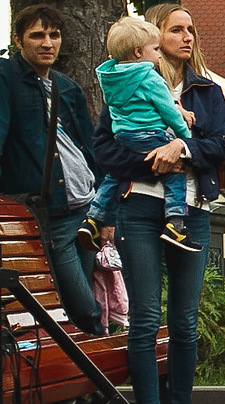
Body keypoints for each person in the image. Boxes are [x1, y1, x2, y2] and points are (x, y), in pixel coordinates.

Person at [92, 1, 225, 404]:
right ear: (151, 39)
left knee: (185, 320)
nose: (187, 37)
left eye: (191, 29)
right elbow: (105, 149)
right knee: (146, 318)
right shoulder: (125, 85)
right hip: (138, 209)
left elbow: (219, 145)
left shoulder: (205, 90)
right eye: (176, 30)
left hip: (192, 210)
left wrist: (182, 151)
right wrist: (154, 160)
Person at [0, 5, 102, 333]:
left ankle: (88, 360)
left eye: (54, 35)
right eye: (37, 35)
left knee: (77, 302)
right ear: (18, 40)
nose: (47, 43)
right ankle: (98, 353)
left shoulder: (67, 86)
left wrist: (104, 205)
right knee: (82, 306)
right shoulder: (6, 78)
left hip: (85, 207)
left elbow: (91, 147)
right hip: (49, 212)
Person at [79, 17, 195, 255]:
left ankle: (92, 219)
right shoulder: (150, 77)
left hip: (123, 136)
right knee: (174, 174)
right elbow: (168, 111)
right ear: (138, 52)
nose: (159, 55)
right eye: (155, 49)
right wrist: (185, 137)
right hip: (150, 134)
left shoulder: (112, 79)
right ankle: (175, 223)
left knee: (113, 177)